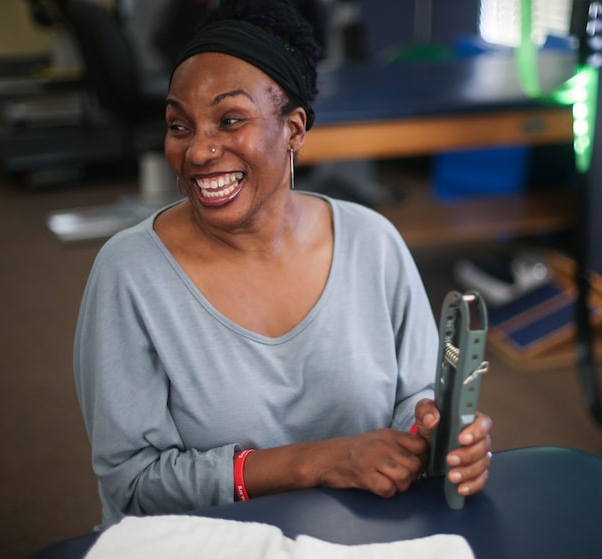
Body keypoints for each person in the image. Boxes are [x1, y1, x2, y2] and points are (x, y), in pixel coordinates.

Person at [74, 0, 492, 529]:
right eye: (180, 126)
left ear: (294, 129)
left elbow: (415, 396)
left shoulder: (373, 242)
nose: (198, 151)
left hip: (353, 533)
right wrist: (317, 462)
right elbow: (132, 484)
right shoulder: (130, 274)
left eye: (230, 120)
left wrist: (440, 435)